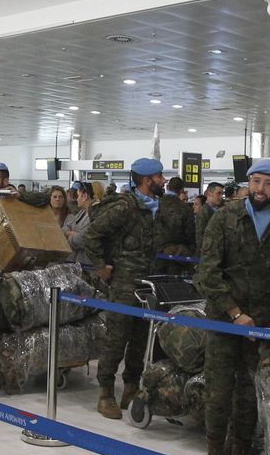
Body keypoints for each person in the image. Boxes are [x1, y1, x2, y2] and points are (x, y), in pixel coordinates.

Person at [194, 159, 270, 455]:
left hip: (262, 325)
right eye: (257, 182)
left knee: (249, 394)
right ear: (249, 182)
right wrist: (234, 312)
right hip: (223, 321)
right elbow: (207, 273)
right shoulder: (225, 218)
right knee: (219, 391)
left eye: (269, 183)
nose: (261, 189)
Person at [82, 160, 163, 419]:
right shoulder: (125, 207)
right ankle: (106, 392)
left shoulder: (155, 208)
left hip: (147, 283)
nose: (163, 181)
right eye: (159, 177)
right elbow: (92, 234)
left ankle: (130, 387)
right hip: (123, 283)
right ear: (147, 179)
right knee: (117, 338)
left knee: (140, 338)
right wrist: (101, 266)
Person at [154, 173, 196, 272]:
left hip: (156, 252)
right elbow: (190, 234)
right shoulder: (186, 208)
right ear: (181, 190)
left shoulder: (156, 204)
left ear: (167, 187)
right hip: (177, 255)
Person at [62, 181, 95, 268]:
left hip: (89, 264)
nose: (77, 199)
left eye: (78, 195)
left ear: (85, 196)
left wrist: (69, 235)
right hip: (78, 261)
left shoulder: (94, 215)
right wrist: (72, 233)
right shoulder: (82, 212)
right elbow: (65, 227)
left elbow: (82, 240)